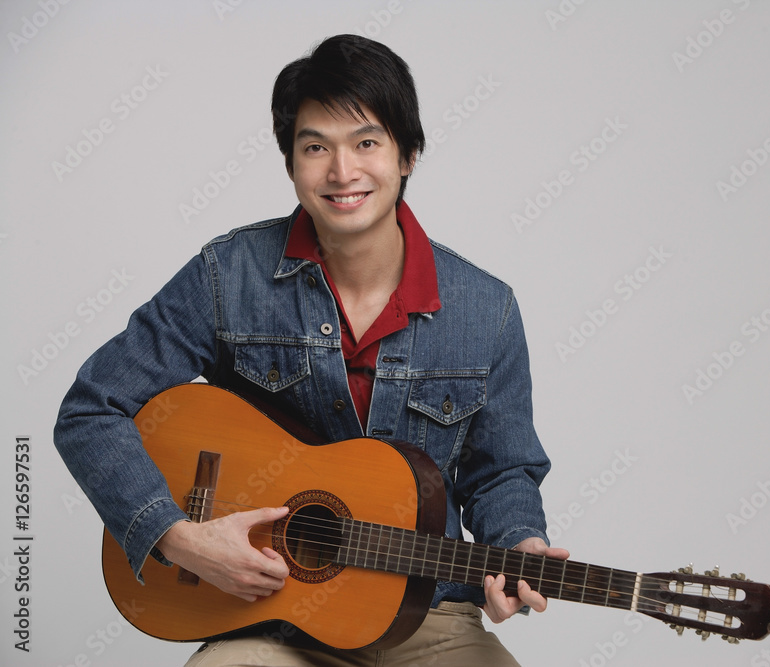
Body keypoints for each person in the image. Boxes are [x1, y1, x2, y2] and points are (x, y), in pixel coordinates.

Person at [54, 34, 567, 666]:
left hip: (427, 616)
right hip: (271, 621)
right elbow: (92, 408)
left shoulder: (487, 309)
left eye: (367, 143)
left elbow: (501, 470)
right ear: (291, 162)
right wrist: (178, 537)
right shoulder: (229, 274)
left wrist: (519, 542)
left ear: (408, 154)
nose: (342, 172)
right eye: (316, 146)